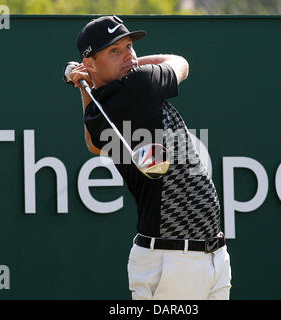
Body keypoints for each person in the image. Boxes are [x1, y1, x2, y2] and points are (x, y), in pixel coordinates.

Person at [68, 15, 232, 300]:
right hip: (173, 259)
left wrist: (86, 85)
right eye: (114, 51)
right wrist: (121, 71)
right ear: (91, 63)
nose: (129, 56)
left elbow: (95, 144)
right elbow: (180, 63)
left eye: (129, 46)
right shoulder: (141, 83)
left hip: (207, 254)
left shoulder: (102, 107)